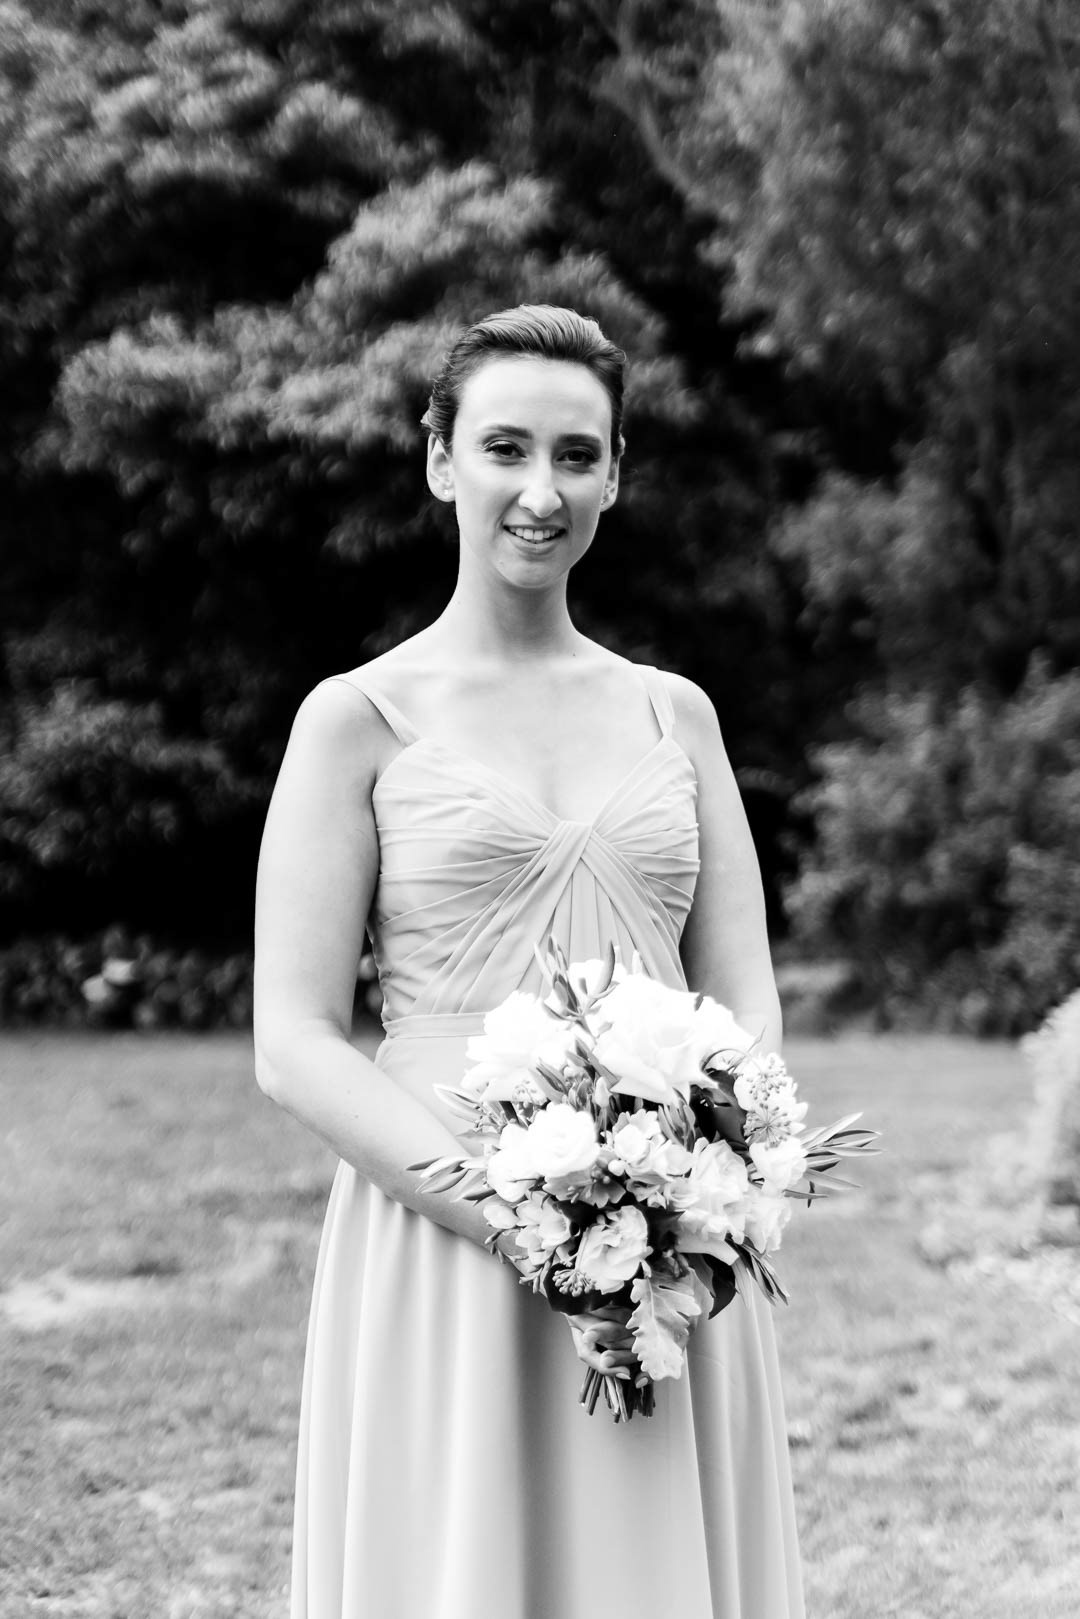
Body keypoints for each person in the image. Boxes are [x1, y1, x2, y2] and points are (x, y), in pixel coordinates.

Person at [253, 304, 805, 1619]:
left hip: (666, 1248)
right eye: (505, 447)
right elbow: (294, 1040)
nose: (540, 491)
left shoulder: (676, 714)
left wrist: (693, 1195)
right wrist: (514, 1218)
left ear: (615, 477)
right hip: (439, 1230)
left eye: (577, 455)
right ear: (439, 459)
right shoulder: (355, 720)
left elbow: (744, 1000)